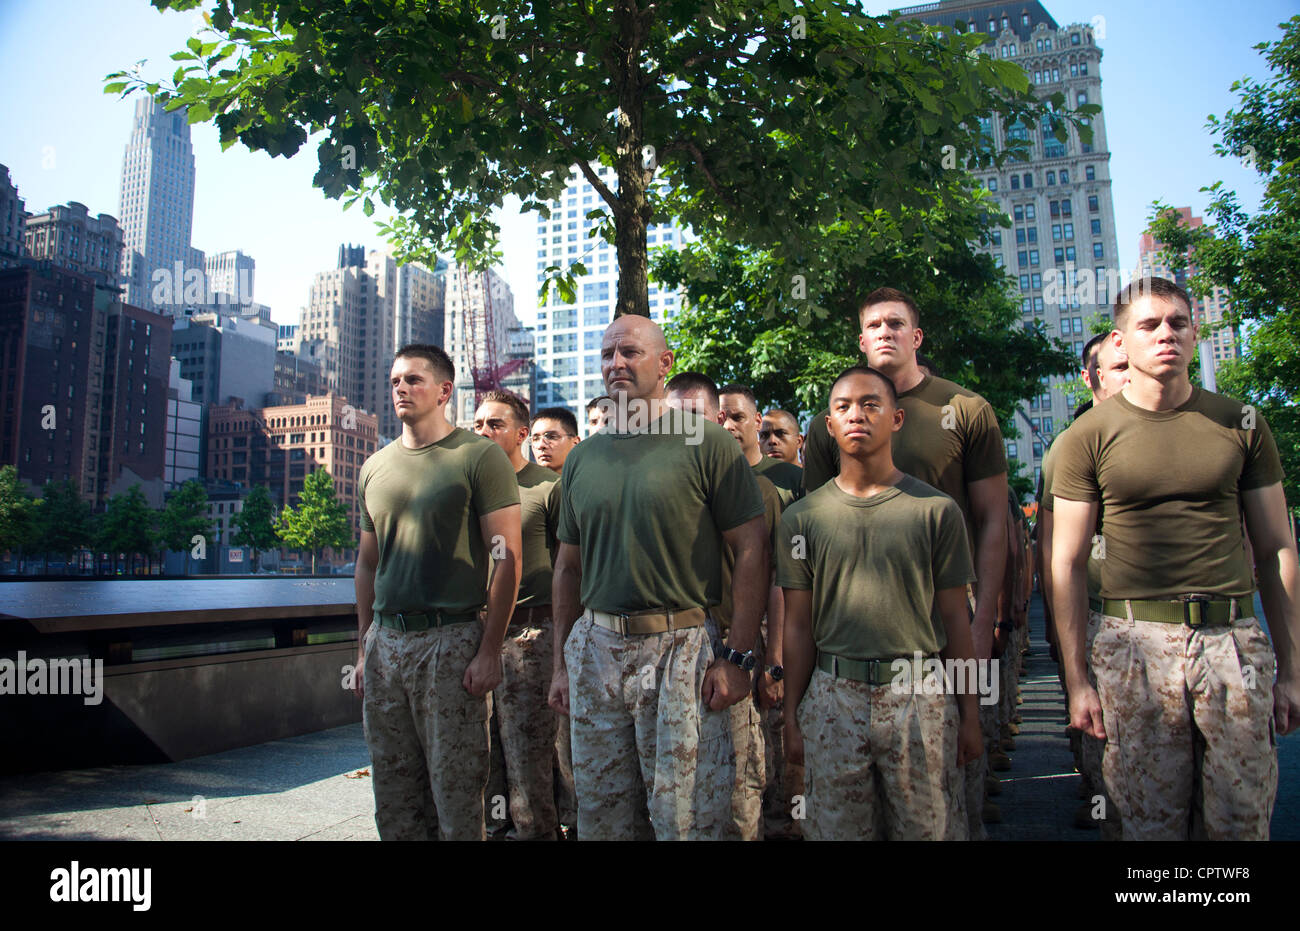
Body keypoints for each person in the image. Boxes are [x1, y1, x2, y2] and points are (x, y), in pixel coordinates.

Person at [1051, 276, 1298, 840]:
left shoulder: (1243, 423)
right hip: (1133, 647)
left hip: (1232, 644)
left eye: (1179, 323)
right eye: (1150, 325)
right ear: (1120, 343)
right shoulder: (1086, 437)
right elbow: (1065, 564)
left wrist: (1293, 671)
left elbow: (1277, 547)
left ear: (1194, 333)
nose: (1167, 334)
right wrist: (1077, 680)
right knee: (1145, 829)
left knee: (1240, 825)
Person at [548, 316, 769, 840]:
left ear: (665, 363)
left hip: (681, 651)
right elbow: (567, 568)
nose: (616, 364)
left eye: (630, 352)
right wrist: (560, 663)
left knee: (686, 823)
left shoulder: (708, 444)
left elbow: (752, 549)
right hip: (595, 653)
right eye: (606, 354)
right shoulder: (582, 460)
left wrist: (737, 657)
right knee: (601, 821)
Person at [801, 286, 1009, 837]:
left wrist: (985, 617)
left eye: (896, 323)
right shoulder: (839, 415)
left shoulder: (966, 410)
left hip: (947, 611)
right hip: (850, 626)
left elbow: (993, 522)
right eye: (874, 325)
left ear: (916, 337)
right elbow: (815, 526)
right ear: (862, 339)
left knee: (946, 794)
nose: (885, 332)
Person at [779, 366, 982, 840]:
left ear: (897, 418)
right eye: (843, 407)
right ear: (827, 426)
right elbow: (797, 626)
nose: (857, 415)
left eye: (872, 404)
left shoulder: (935, 511)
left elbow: (956, 619)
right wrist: (791, 716)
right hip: (833, 698)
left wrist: (971, 713)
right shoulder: (801, 519)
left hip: (919, 697)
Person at [354, 344, 522, 841]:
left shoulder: (479, 457)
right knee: (394, 794)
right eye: (395, 381)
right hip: (385, 644)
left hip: (450, 642)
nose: (401, 389)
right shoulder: (375, 466)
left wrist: (490, 648)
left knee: (457, 795)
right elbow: (367, 564)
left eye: (413, 380)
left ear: (445, 391)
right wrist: (363, 647)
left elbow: (506, 558)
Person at [666, 372, 782, 841]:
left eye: (694, 419)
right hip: (675, 652)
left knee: (737, 786)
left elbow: (777, 583)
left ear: (716, 420)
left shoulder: (761, 491)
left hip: (733, 647)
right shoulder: (659, 485)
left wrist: (767, 661)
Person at [1036, 331, 1129, 832]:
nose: (1129, 375)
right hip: (1100, 619)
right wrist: (1058, 631)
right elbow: (1053, 551)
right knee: (1112, 759)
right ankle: (1101, 800)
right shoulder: (1072, 446)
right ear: (1088, 376)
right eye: (1116, 368)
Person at [472, 390, 573, 841]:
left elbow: (569, 568)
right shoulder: (467, 486)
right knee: (485, 749)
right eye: (478, 425)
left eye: (495, 424)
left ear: (519, 434)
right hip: (475, 632)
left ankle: (539, 831)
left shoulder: (548, 488)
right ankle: (497, 830)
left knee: (530, 749)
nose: (484, 432)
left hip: (534, 632)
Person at [720, 385, 803, 509]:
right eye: (720, 420)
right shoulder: (707, 480)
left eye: (738, 418)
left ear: (758, 421)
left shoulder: (797, 479)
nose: (728, 426)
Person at [529, 406, 581, 474]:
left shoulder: (592, 481)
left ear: (575, 443)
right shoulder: (518, 483)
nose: (541, 445)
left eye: (551, 437)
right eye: (535, 439)